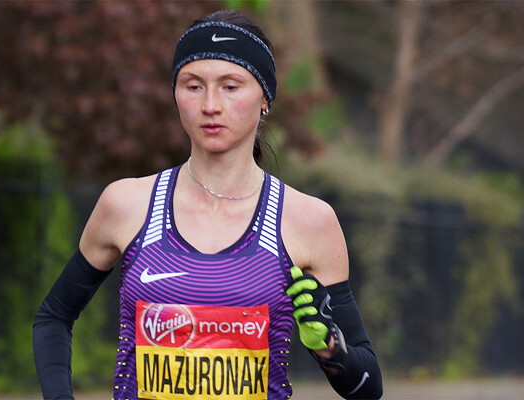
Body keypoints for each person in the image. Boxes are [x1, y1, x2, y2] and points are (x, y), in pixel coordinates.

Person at [33, 9, 383, 400]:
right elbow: (53, 317)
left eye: (231, 86)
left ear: (265, 98)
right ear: (175, 94)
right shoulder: (126, 205)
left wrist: (331, 349)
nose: (210, 105)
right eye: (193, 86)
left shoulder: (308, 221)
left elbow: (368, 388)